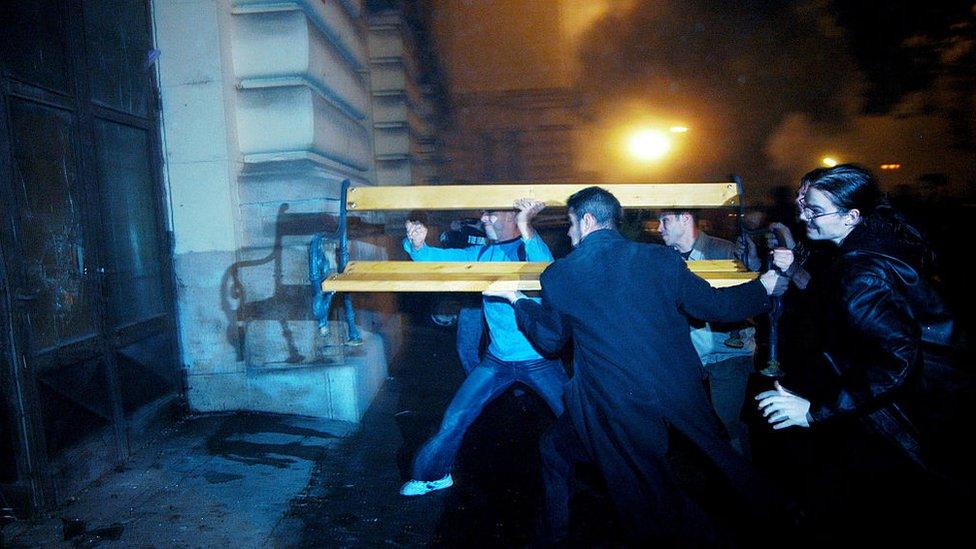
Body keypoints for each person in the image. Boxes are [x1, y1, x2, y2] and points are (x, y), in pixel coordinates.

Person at [486, 187, 787, 543]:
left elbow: (551, 341)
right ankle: (781, 515)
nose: (568, 233)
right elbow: (714, 307)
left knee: (640, 495)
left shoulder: (560, 274)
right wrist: (763, 286)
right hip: (677, 389)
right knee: (719, 458)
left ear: (585, 220)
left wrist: (518, 300)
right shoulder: (659, 259)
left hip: (615, 404)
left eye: (569, 224)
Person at [755, 164, 964, 542]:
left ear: (852, 215)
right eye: (803, 205)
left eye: (814, 210)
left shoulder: (862, 271)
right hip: (913, 402)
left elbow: (895, 358)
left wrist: (815, 411)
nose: (803, 217)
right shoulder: (873, 243)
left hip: (901, 411)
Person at [399, 198, 568, 497]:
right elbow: (438, 260)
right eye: (483, 212)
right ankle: (434, 475)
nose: (484, 218)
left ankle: (615, 479)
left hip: (538, 359)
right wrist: (419, 246)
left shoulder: (528, 248)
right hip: (498, 360)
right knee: (456, 416)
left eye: (491, 212)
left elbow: (545, 268)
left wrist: (526, 225)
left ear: (511, 216)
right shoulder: (483, 253)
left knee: (576, 418)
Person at [658, 210, 758, 457]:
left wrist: (752, 262)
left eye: (665, 221)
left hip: (728, 351)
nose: (659, 228)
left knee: (726, 424)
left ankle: (740, 481)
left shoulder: (724, 251)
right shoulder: (663, 259)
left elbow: (753, 291)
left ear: (685, 219)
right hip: (690, 354)